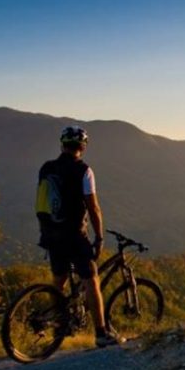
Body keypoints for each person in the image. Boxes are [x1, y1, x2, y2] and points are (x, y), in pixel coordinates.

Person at [36, 126, 123, 347]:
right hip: (74, 234)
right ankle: (102, 334)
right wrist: (99, 237)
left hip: (50, 232)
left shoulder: (47, 168)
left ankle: (58, 326)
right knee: (91, 279)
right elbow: (93, 208)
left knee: (59, 280)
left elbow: (43, 201)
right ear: (82, 147)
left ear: (62, 144)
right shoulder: (84, 171)